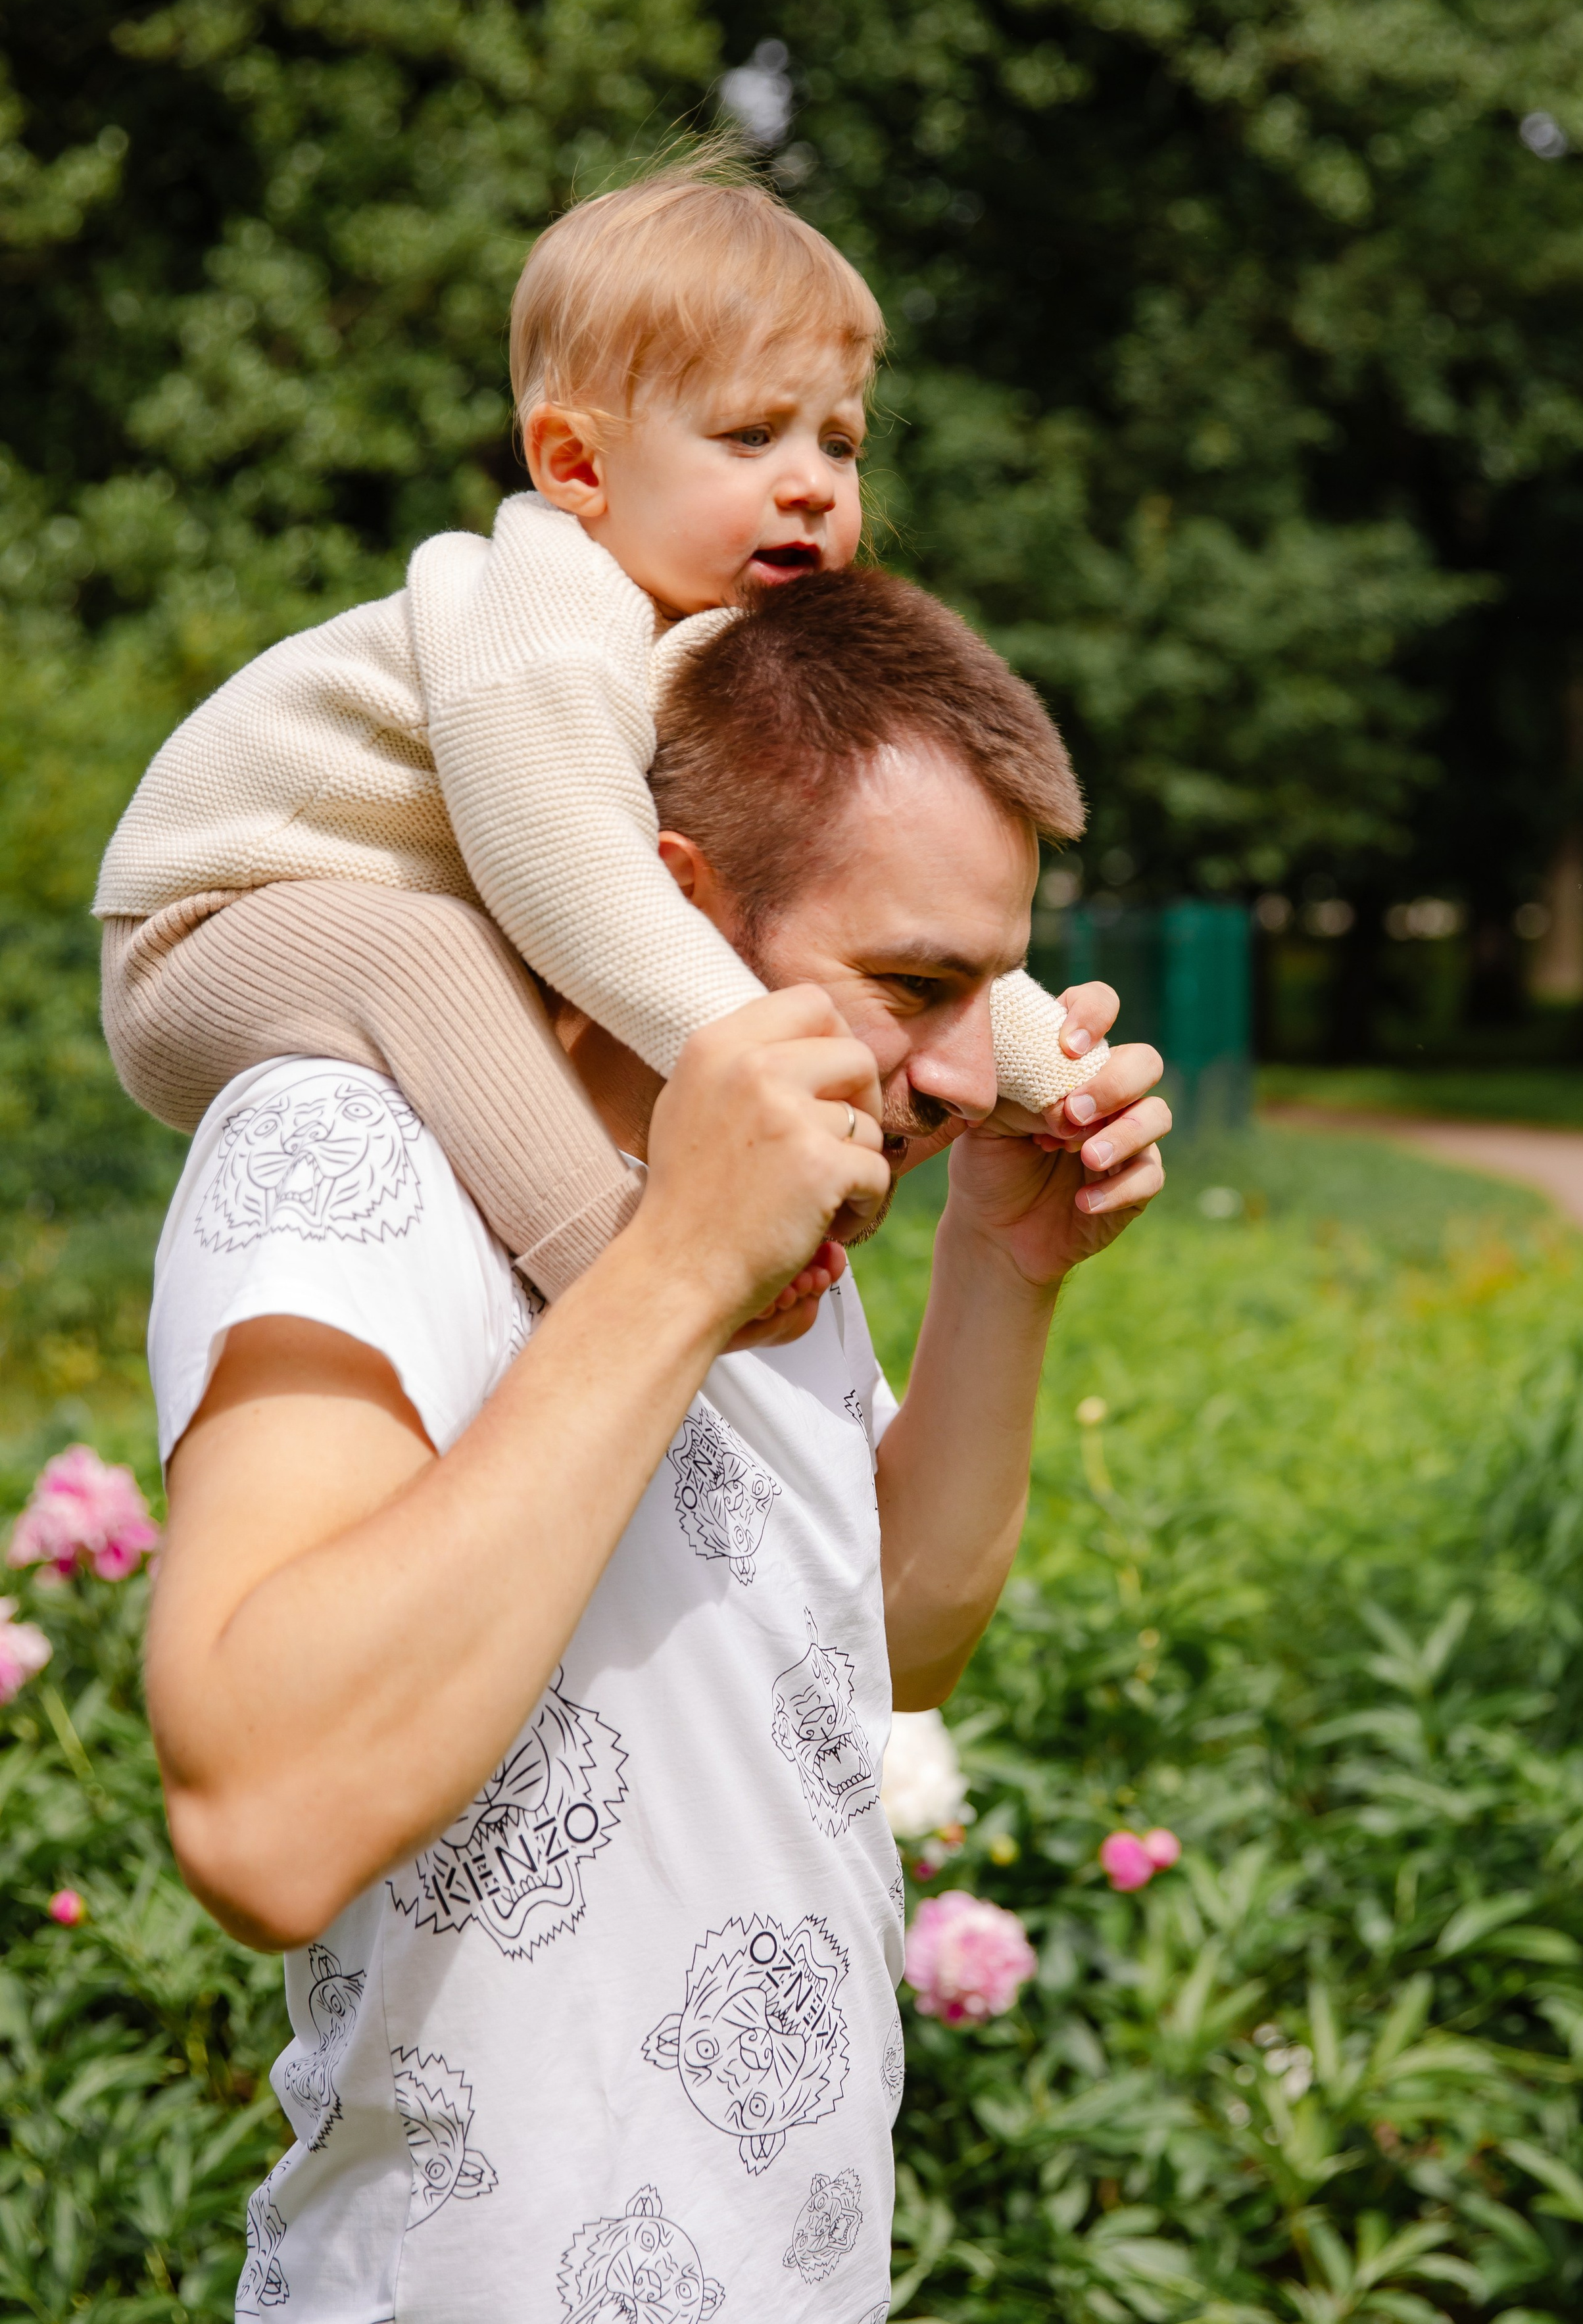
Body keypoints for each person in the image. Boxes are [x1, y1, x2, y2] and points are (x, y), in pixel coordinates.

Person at [143, 565, 1168, 2323]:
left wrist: (1002, 1267)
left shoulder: (782, 1198)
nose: (956, 1073)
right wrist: (680, 1265)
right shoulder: (346, 1142)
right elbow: (263, 1821)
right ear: (676, 903)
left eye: (986, 992)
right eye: (911, 983)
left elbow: (885, 1645)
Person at [95, 155, 1106, 1326]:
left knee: (495, 975)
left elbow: (875, 906)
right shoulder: (543, 609)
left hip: (390, 940)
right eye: (751, 435)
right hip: (211, 933)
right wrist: (761, 1059)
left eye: (839, 442)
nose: (813, 485)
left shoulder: (702, 648)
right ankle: (632, 1281)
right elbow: (570, 869)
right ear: (577, 465)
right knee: (431, 952)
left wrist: (1055, 1073)